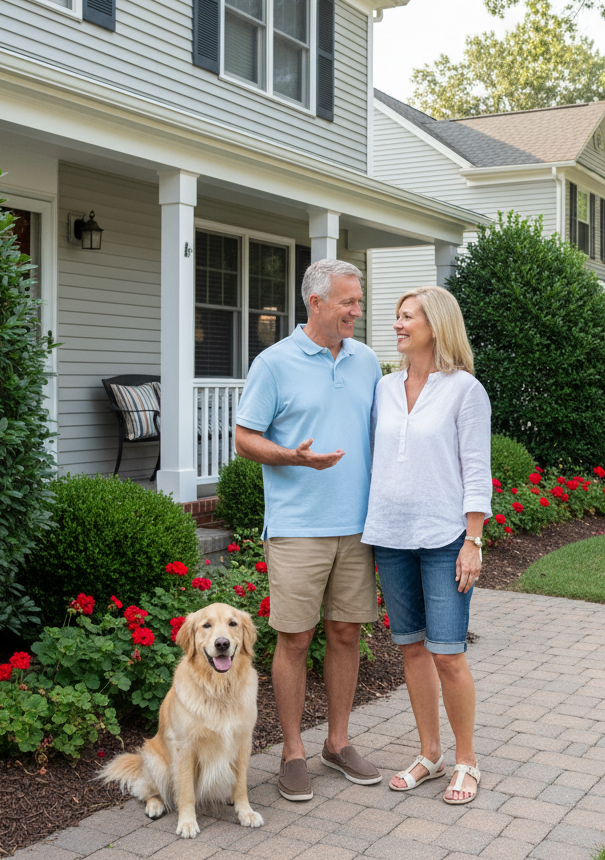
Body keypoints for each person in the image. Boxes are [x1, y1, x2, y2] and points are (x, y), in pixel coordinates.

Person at [234, 258, 383, 802]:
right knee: (294, 638)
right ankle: (293, 751)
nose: (357, 311)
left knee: (347, 633)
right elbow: (244, 438)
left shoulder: (367, 363)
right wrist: (292, 458)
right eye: (348, 302)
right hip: (298, 527)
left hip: (358, 525)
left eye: (359, 301)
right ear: (316, 302)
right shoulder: (274, 363)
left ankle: (337, 743)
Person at [361, 285, 491, 805]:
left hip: (444, 538)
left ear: (435, 325)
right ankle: (430, 754)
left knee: (448, 654)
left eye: (407, 316)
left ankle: (467, 761)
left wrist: (473, 539)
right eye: (396, 316)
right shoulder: (385, 388)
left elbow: (476, 470)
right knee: (411, 649)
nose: (397, 324)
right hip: (390, 537)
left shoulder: (465, 390)